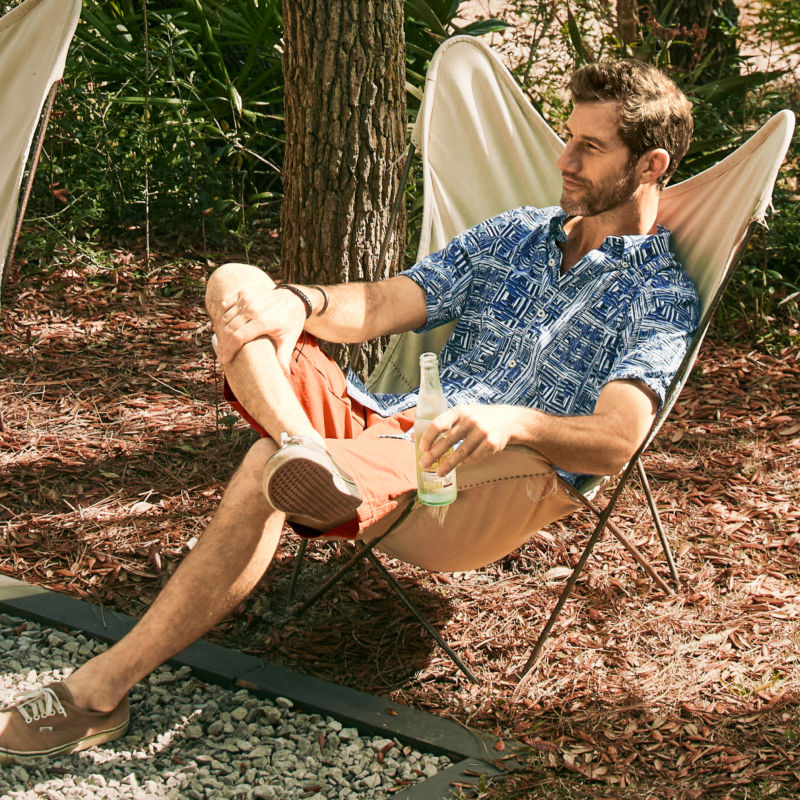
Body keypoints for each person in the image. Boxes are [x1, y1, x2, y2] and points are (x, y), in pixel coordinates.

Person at [0, 58, 699, 762]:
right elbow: (387, 302)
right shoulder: (518, 233)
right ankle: (307, 448)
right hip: (389, 428)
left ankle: (97, 691)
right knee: (237, 284)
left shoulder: (659, 298)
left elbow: (616, 440)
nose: (564, 158)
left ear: (651, 165)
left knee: (262, 463)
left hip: (477, 478)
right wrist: (296, 302)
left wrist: (512, 421)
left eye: (590, 146)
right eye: (567, 136)